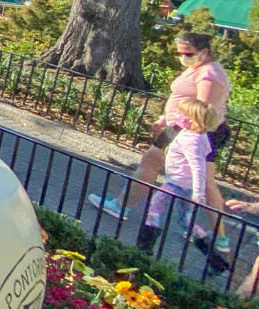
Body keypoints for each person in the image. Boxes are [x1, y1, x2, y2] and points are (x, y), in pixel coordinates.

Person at [90, 32, 231, 248]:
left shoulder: (209, 75)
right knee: (152, 163)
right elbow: (185, 101)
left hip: (192, 131)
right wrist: (166, 118)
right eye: (179, 52)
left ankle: (218, 237)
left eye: (188, 53)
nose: (182, 56)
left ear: (204, 53)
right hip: (183, 127)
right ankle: (122, 205)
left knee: (202, 183)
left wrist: (173, 127)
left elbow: (201, 110)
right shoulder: (199, 69)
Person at [135, 97, 219, 256]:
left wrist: (199, 193)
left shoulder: (191, 140)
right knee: (186, 221)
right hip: (182, 184)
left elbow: (198, 167)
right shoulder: (197, 136)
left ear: (193, 119)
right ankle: (215, 258)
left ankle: (143, 247)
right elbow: (206, 153)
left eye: (182, 113)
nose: (178, 115)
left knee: (155, 207)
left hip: (177, 184)